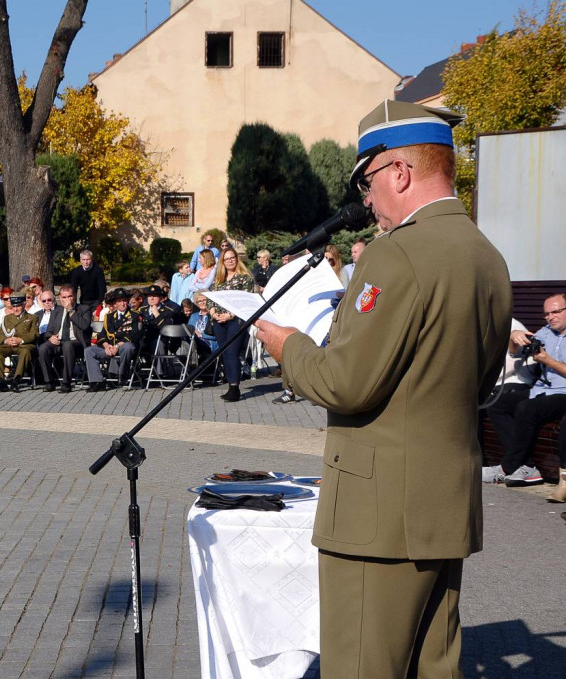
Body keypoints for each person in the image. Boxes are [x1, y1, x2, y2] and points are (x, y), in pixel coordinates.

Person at [255, 100, 511, 679]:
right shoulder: (487, 257)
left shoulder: (396, 256)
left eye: (369, 181)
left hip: (376, 521)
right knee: (435, 669)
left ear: (400, 172)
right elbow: (478, 383)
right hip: (443, 511)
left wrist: (288, 347)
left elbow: (345, 384)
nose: (367, 200)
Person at [483, 293, 566, 494]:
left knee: (527, 408)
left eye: (556, 312)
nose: (550, 317)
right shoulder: (546, 333)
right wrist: (513, 338)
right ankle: (527, 466)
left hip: (563, 393)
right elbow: (515, 353)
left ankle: (508, 466)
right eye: (547, 314)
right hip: (542, 390)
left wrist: (548, 361)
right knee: (497, 403)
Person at [209, 248, 254, 402]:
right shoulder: (218, 279)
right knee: (224, 353)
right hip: (218, 321)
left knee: (232, 353)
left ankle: (235, 387)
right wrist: (214, 314)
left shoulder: (245, 278)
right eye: (226, 259)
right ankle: (230, 386)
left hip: (236, 320)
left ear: (237, 258)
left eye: (232, 258)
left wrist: (229, 315)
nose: (230, 261)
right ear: (222, 262)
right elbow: (210, 298)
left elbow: (245, 301)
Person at [85, 288, 142, 392]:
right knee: (89, 351)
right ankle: (97, 382)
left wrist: (117, 346)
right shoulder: (109, 316)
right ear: (115, 303)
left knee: (128, 347)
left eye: (124, 300)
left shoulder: (135, 315)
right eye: (119, 301)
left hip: (123, 348)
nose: (122, 303)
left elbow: (135, 335)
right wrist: (106, 346)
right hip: (110, 348)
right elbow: (102, 334)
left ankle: (122, 374)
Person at [36, 287, 91, 393]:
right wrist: (50, 337)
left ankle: (66, 382)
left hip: (76, 342)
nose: (67, 299)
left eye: (70, 296)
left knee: (68, 345)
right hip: (58, 342)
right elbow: (49, 331)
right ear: (60, 298)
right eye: (64, 297)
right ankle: (49, 381)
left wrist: (71, 310)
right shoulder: (57, 311)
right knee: (43, 348)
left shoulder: (84, 309)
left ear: (74, 296)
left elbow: (84, 326)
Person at [0, 294, 38, 393]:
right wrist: (5, 340)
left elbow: (34, 334)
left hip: (24, 345)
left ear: (24, 305)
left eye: (18, 306)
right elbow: (0, 335)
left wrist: (20, 340)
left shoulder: (32, 317)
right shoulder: (7, 318)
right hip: (9, 344)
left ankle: (16, 379)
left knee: (25, 352)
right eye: (13, 306)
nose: (15, 309)